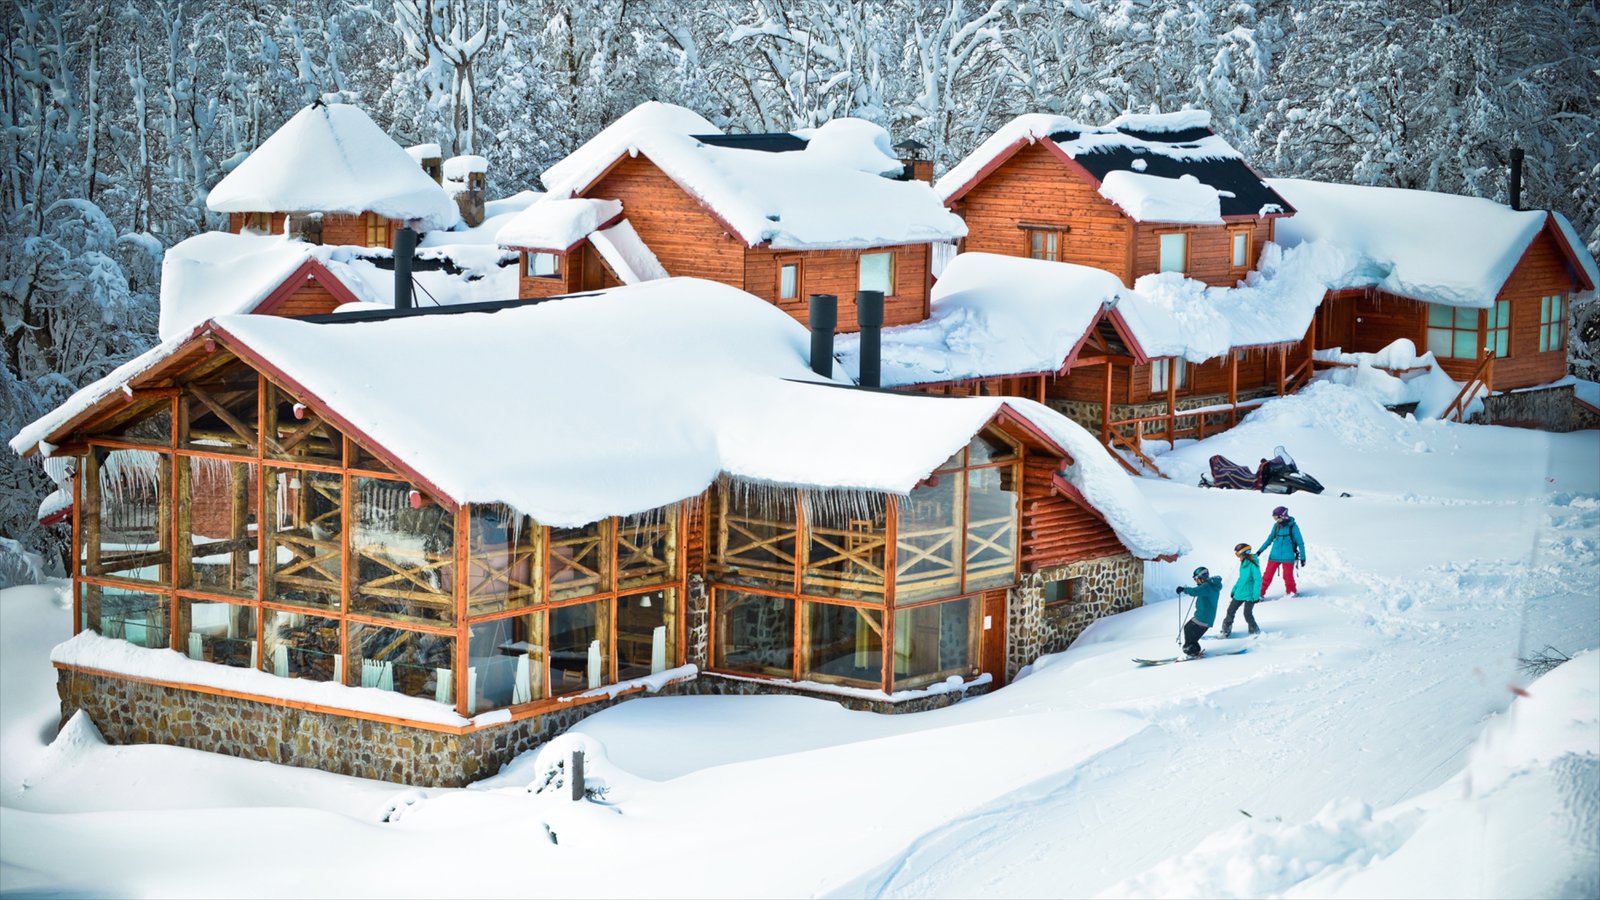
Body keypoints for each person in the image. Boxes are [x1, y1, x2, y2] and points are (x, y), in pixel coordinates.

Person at [1257, 506, 1305, 598]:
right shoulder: (1276, 526)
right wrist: (1259, 551)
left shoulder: (1293, 527)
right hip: (1274, 556)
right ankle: (1258, 594)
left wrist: (1303, 558)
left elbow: (1300, 543)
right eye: (1274, 518)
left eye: (1276, 517)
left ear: (1283, 517)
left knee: (1288, 577)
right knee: (1267, 576)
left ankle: (1291, 593)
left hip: (1288, 557)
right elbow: (1269, 539)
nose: (1275, 520)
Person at [1175, 566, 1222, 658]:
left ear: (1201, 578)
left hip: (1203, 617)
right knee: (1188, 629)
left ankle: (1192, 650)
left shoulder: (1206, 587)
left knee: (1189, 630)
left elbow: (1194, 591)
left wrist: (1183, 589)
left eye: (1196, 579)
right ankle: (1193, 648)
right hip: (1204, 617)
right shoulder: (1211, 586)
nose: (1195, 581)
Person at [1222, 543, 1262, 637]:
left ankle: (1255, 631)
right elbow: (1241, 579)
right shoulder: (1243, 563)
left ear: (1244, 553)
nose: (1238, 557)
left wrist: (1256, 595)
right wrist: (1234, 590)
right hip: (1240, 593)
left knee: (1247, 614)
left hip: (1250, 594)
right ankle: (1225, 631)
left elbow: (1258, 580)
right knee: (1230, 610)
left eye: (1238, 554)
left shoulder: (1253, 564)